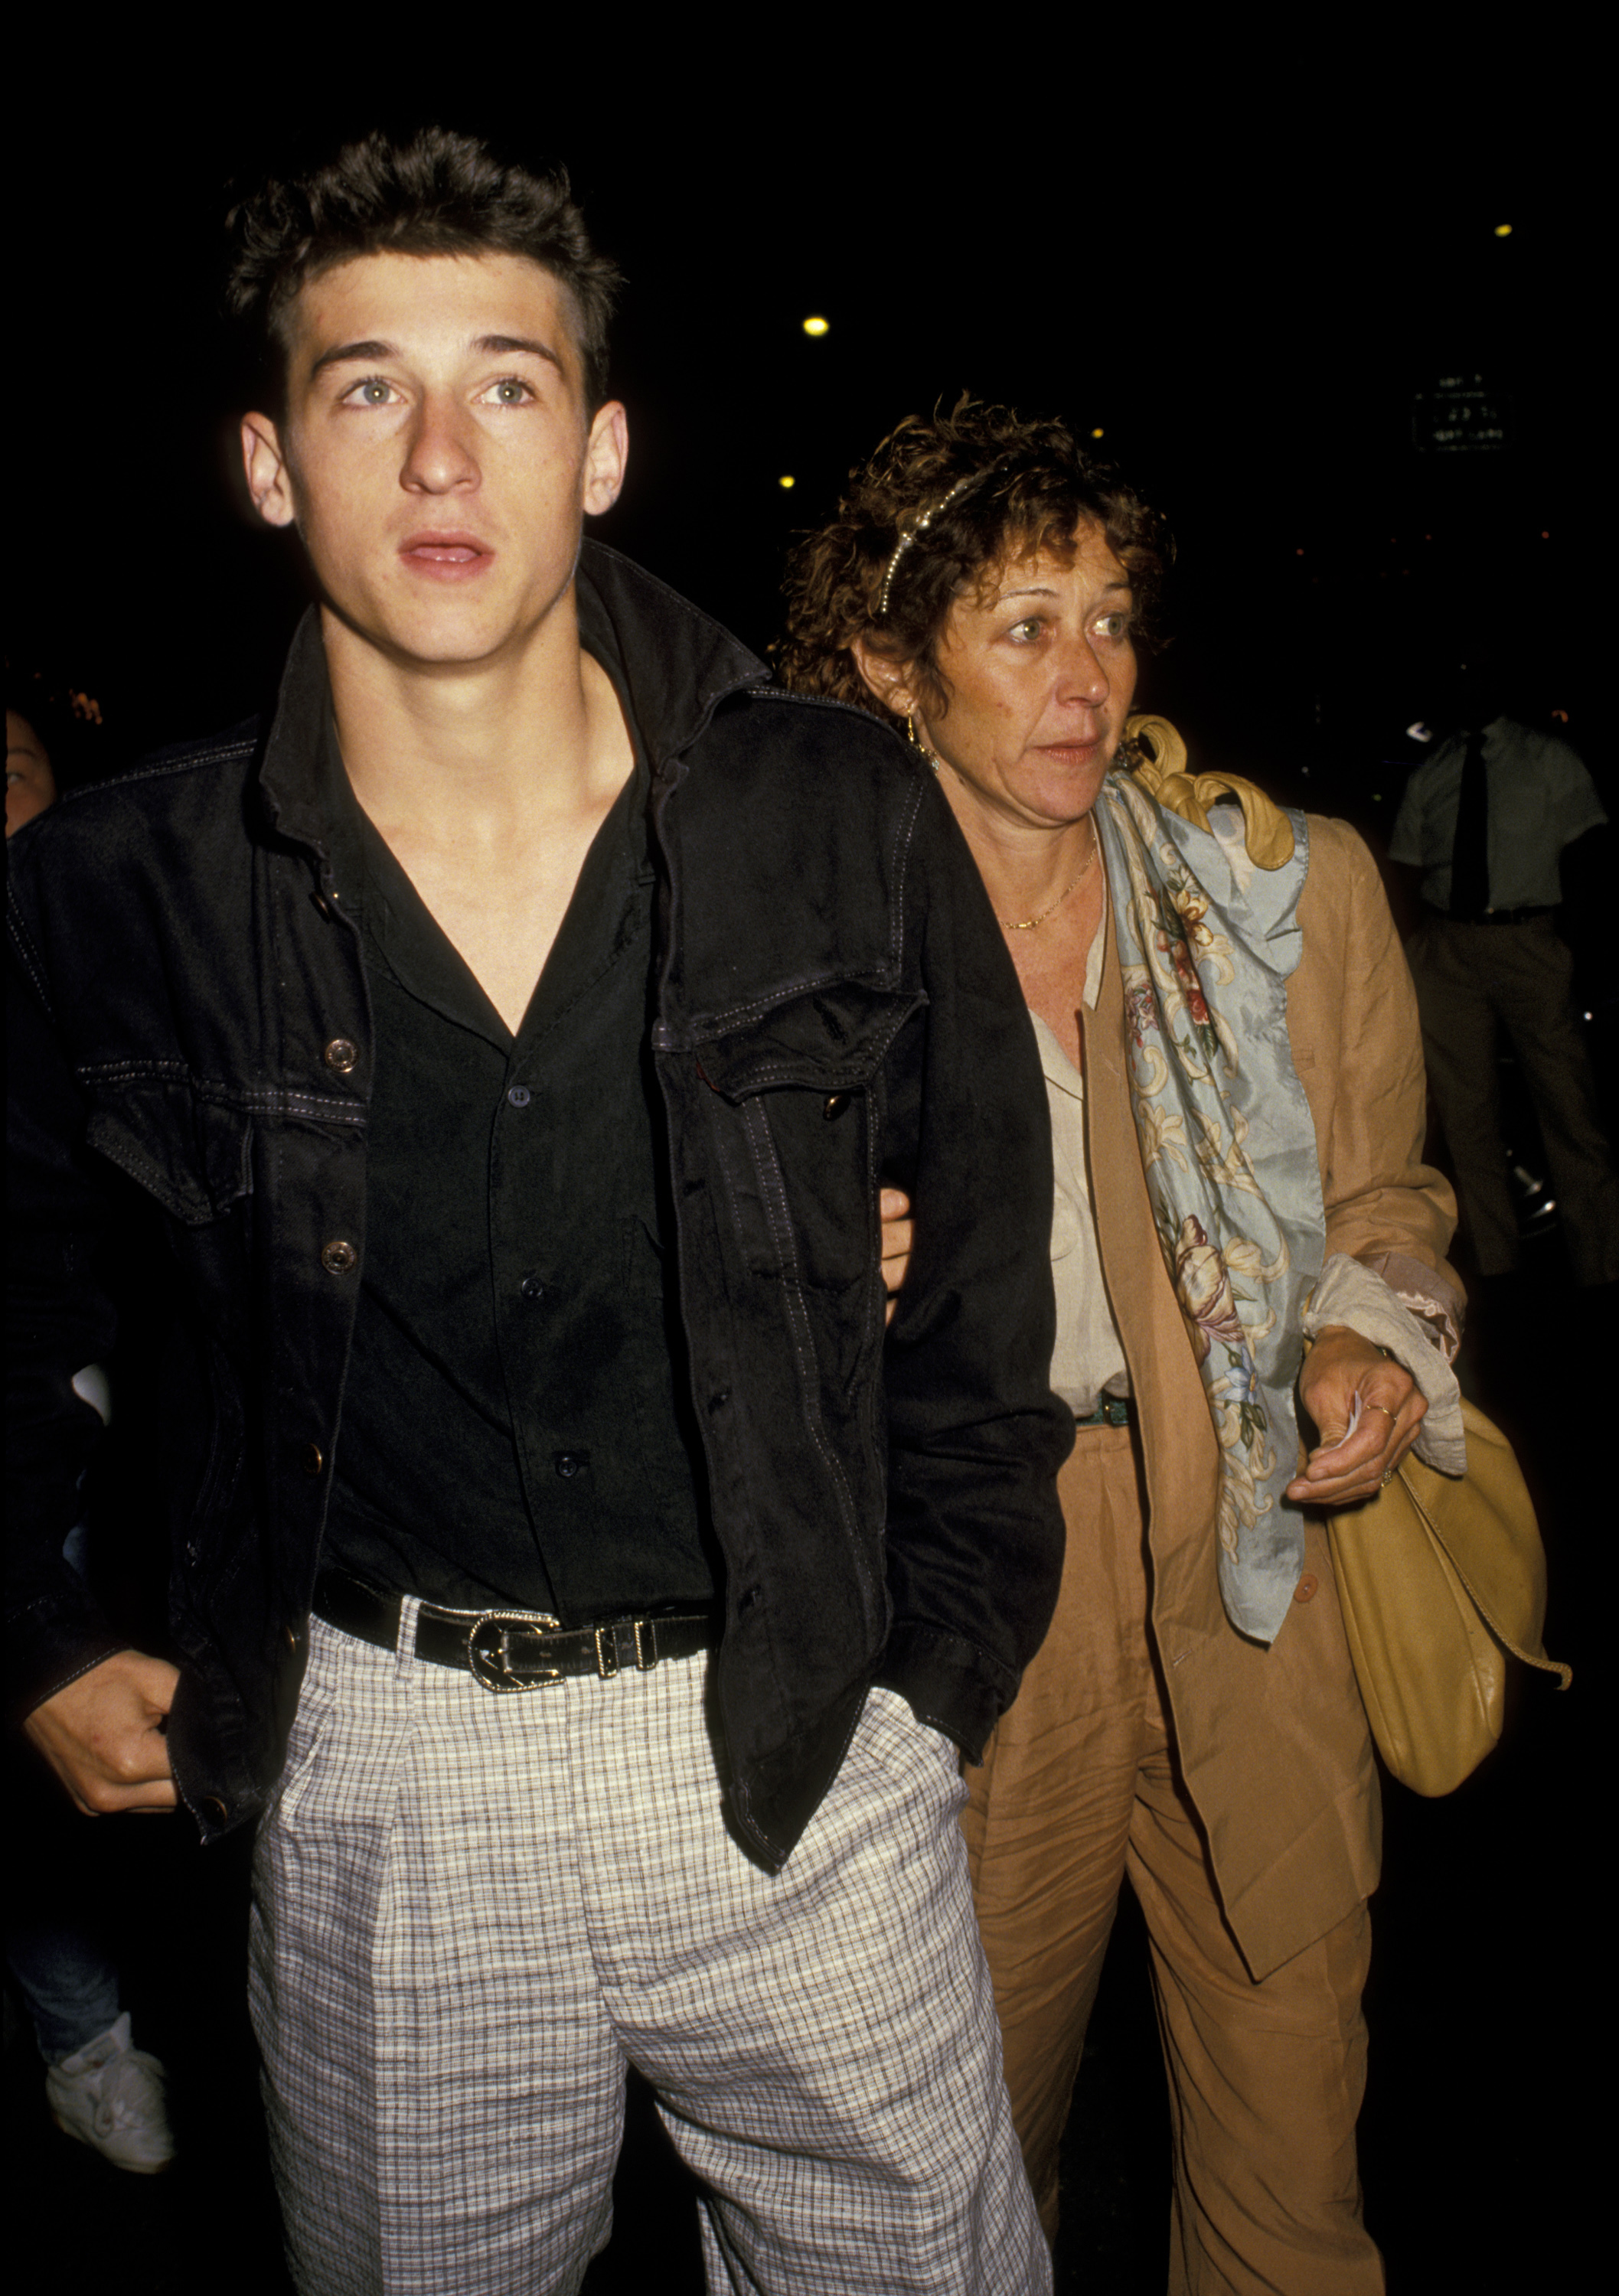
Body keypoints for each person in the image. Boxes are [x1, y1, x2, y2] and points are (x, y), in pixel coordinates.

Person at [7, 135, 1071, 2294]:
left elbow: (977, 1288)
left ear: (594, 448)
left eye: (501, 383)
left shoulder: (834, 812)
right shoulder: (120, 892)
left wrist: (923, 1694)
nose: (434, 450)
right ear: (267, 459)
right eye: (362, 386)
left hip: (793, 1740)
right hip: (385, 1780)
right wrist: (28, 1635)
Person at [778, 397, 1469, 2291]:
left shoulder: (1280, 898)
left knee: (1292, 2155)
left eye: (1109, 616)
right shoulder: (793, 941)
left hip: (1261, 1552)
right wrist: (796, 1249)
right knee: (963, 2159)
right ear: (885, 665)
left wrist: (1370, 1333)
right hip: (965, 1582)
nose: (1085, 676)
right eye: (1022, 624)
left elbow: (1392, 1198)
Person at [1389, 708, 1619, 1287]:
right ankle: (1496, 1270)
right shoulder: (1434, 769)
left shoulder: (1546, 758)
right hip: (1448, 945)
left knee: (1566, 1102)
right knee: (1465, 1115)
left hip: (1528, 939)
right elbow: (1405, 870)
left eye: (1479, 664)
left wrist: (1578, 949)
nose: (1467, 681)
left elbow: (1589, 851)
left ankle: (1599, 1266)